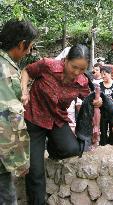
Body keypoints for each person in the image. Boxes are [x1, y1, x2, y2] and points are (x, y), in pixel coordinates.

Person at [21, 44, 102, 205]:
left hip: (57, 120)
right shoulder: (47, 65)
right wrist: (24, 91)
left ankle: (51, 147)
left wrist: (98, 101)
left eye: (82, 69)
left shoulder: (82, 81)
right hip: (35, 118)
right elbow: (26, 72)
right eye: (74, 67)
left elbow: (90, 99)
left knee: (72, 149)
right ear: (65, 60)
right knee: (35, 170)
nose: (77, 72)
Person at [0, 19, 38, 205]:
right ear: (22, 44)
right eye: (30, 47)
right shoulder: (5, 70)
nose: (29, 52)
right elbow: (8, 117)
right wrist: (21, 160)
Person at [99, 66, 113, 145]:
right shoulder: (99, 85)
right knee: (103, 134)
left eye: (105, 74)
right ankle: (103, 140)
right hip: (103, 111)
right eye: (101, 74)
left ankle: (112, 139)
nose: (103, 76)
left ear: (110, 74)